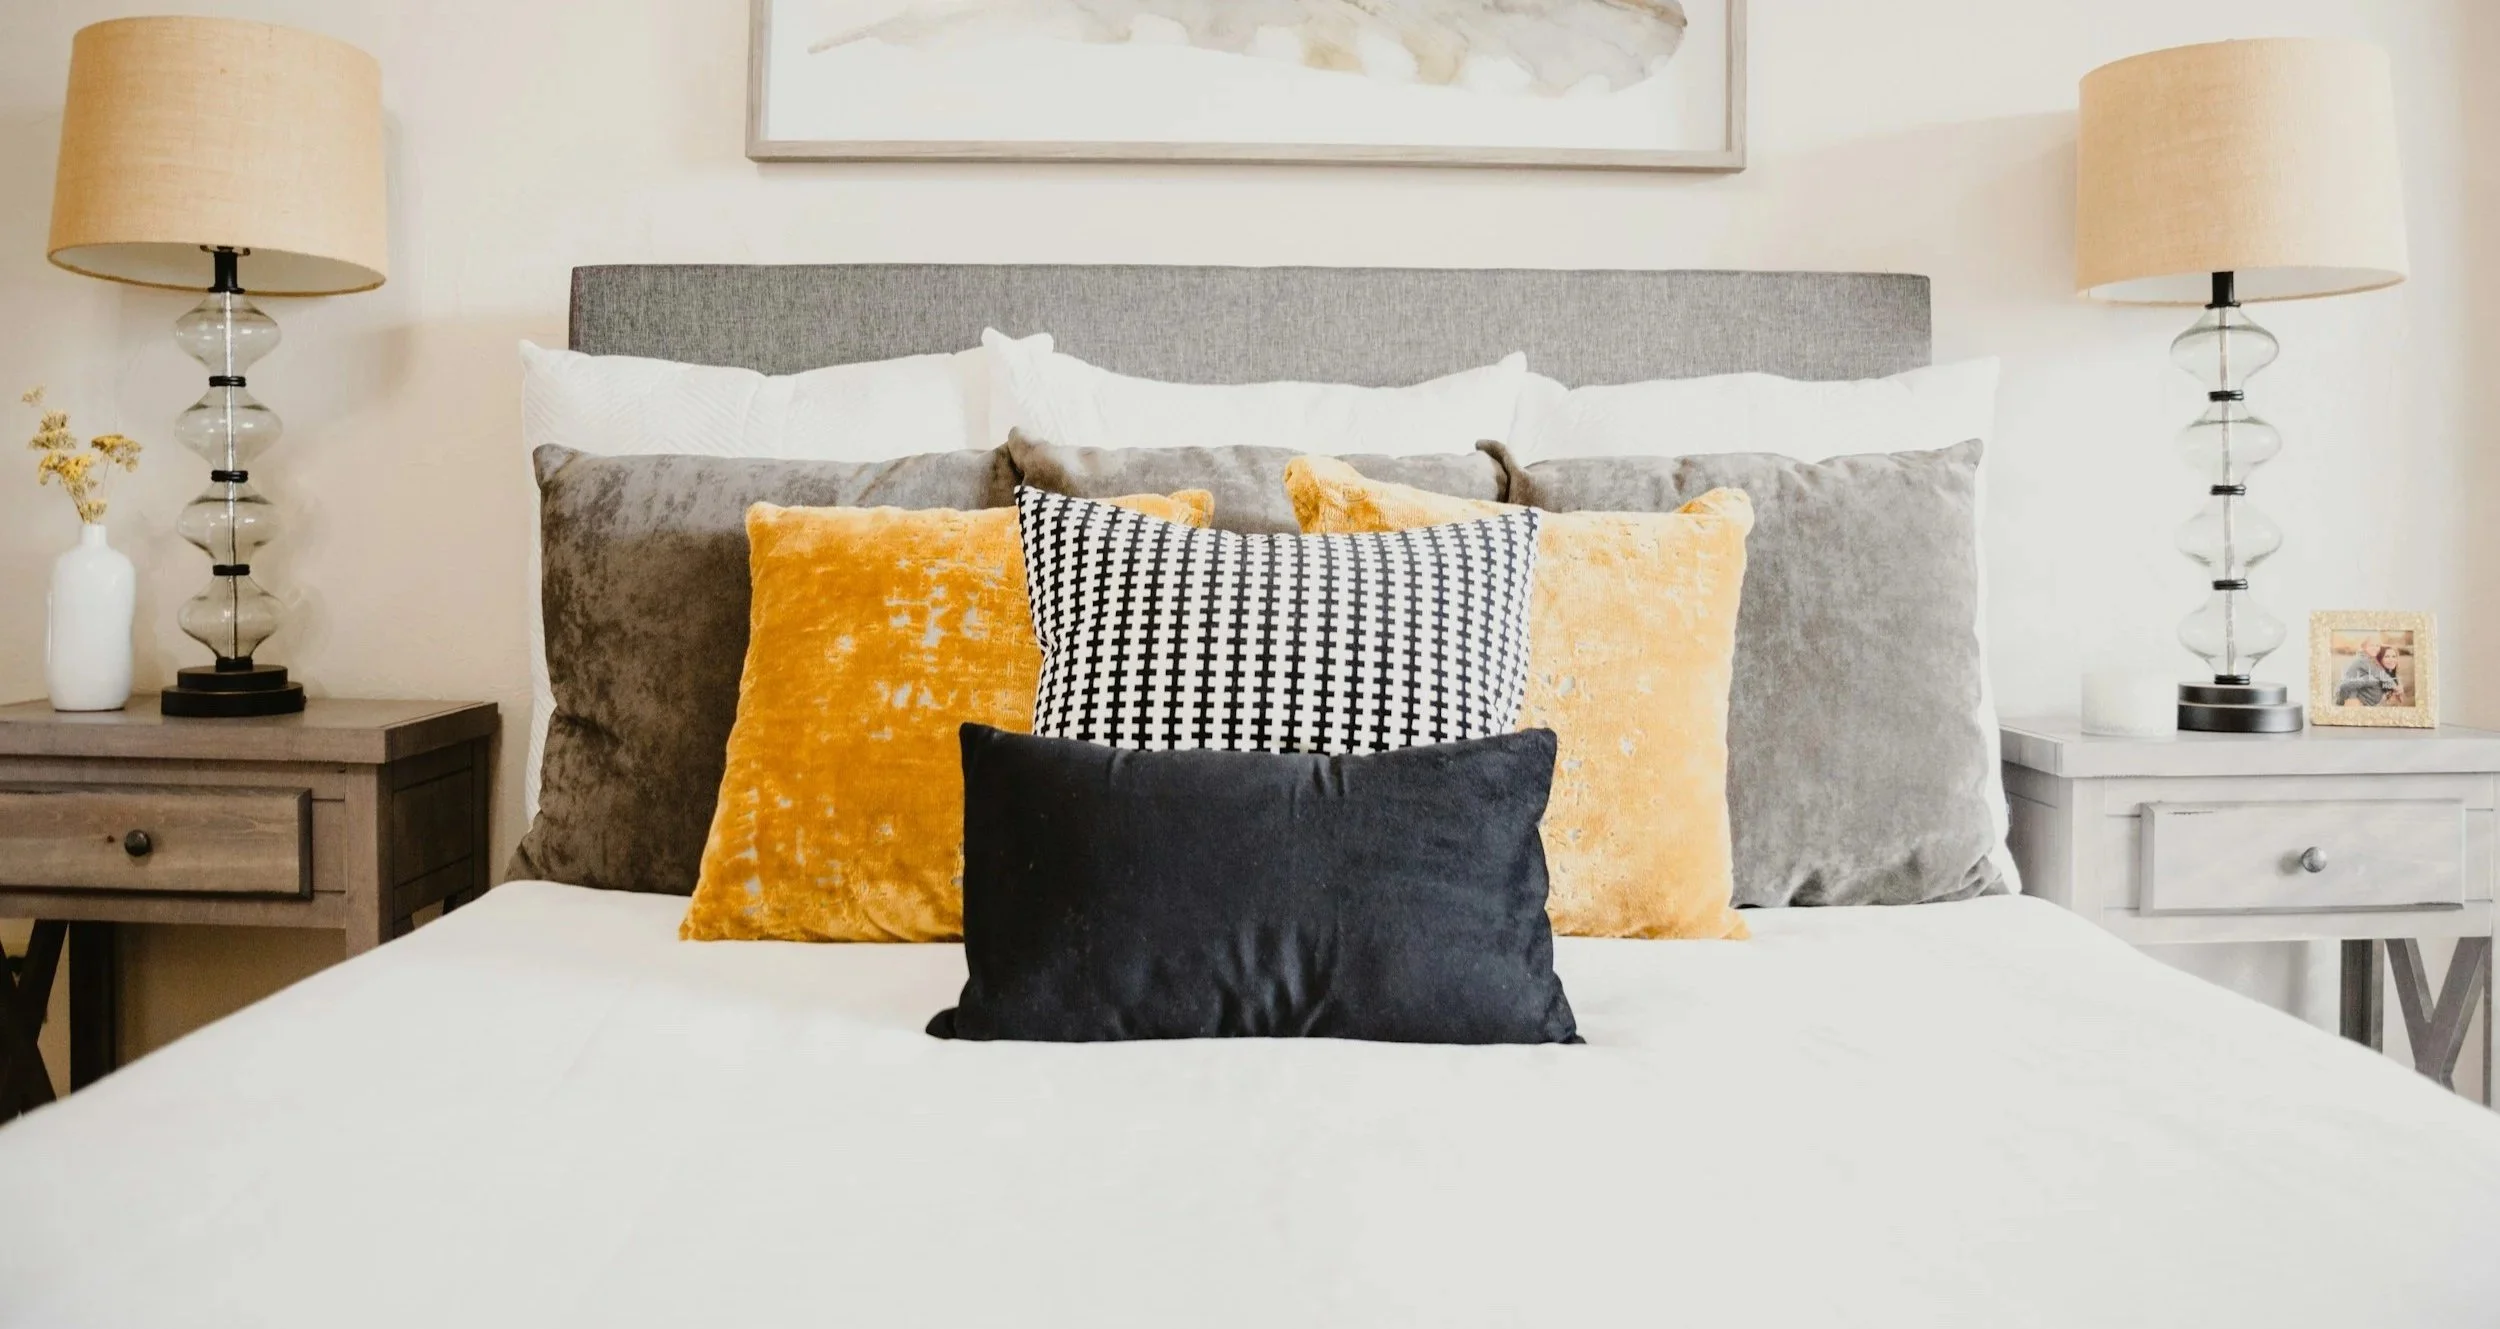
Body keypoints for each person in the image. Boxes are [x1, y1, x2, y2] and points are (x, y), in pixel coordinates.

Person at [2335, 637, 2402, 707]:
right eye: (2371, 645)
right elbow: (2379, 674)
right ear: (2364, 647)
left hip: (2353, 690)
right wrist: (2395, 687)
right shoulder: (2364, 660)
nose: (2375, 648)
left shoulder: (2369, 659)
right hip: (2350, 695)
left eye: (2377, 645)